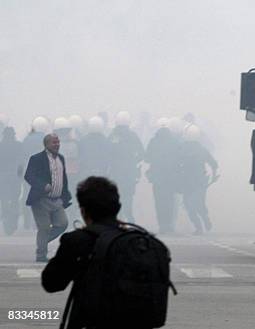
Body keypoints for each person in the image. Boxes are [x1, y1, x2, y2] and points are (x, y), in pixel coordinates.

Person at [42, 176, 174, 329]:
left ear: (83, 211)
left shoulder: (78, 240)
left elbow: (51, 283)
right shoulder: (143, 242)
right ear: (117, 208)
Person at [24, 133, 71, 262]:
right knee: (44, 227)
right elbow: (29, 176)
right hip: (41, 200)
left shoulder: (61, 158)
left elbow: (63, 179)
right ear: (46, 144)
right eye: (54, 142)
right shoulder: (36, 158)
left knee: (63, 224)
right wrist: (42, 185)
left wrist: (66, 196)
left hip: (57, 200)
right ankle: (41, 255)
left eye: (58, 142)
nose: (57, 144)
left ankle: (42, 241)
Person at [178, 125, 219, 234]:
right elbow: (214, 164)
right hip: (195, 181)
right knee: (195, 204)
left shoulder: (183, 148)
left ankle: (201, 224)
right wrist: (214, 175)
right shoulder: (200, 149)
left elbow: (213, 164)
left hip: (192, 181)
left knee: (191, 205)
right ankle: (202, 223)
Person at [108, 111, 144, 223]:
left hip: (115, 172)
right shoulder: (133, 136)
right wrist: (134, 162)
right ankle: (129, 218)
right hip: (129, 172)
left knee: (116, 195)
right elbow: (142, 153)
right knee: (128, 196)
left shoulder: (112, 136)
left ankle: (119, 217)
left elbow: (106, 153)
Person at [145, 126, 180, 234]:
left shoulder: (153, 142)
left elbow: (147, 157)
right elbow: (179, 157)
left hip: (157, 178)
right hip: (170, 177)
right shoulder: (174, 142)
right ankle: (168, 225)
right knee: (169, 201)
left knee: (159, 201)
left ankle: (162, 224)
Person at [0, 127, 24, 235]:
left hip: (3, 177)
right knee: (14, 198)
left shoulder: (1, 146)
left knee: (4, 198)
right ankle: (13, 219)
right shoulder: (18, 146)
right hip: (15, 177)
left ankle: (5, 214)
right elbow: (21, 161)